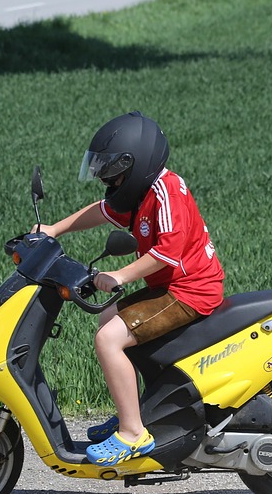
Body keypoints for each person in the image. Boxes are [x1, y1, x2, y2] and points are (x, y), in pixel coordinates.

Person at [38, 112, 224, 466]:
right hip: (172, 287)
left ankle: (133, 433)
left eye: (113, 172)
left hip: (189, 291)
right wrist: (54, 229)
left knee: (108, 339)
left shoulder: (166, 191)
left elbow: (166, 255)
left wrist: (121, 275)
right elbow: (102, 211)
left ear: (135, 164)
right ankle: (135, 411)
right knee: (108, 315)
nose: (108, 180)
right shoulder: (141, 193)